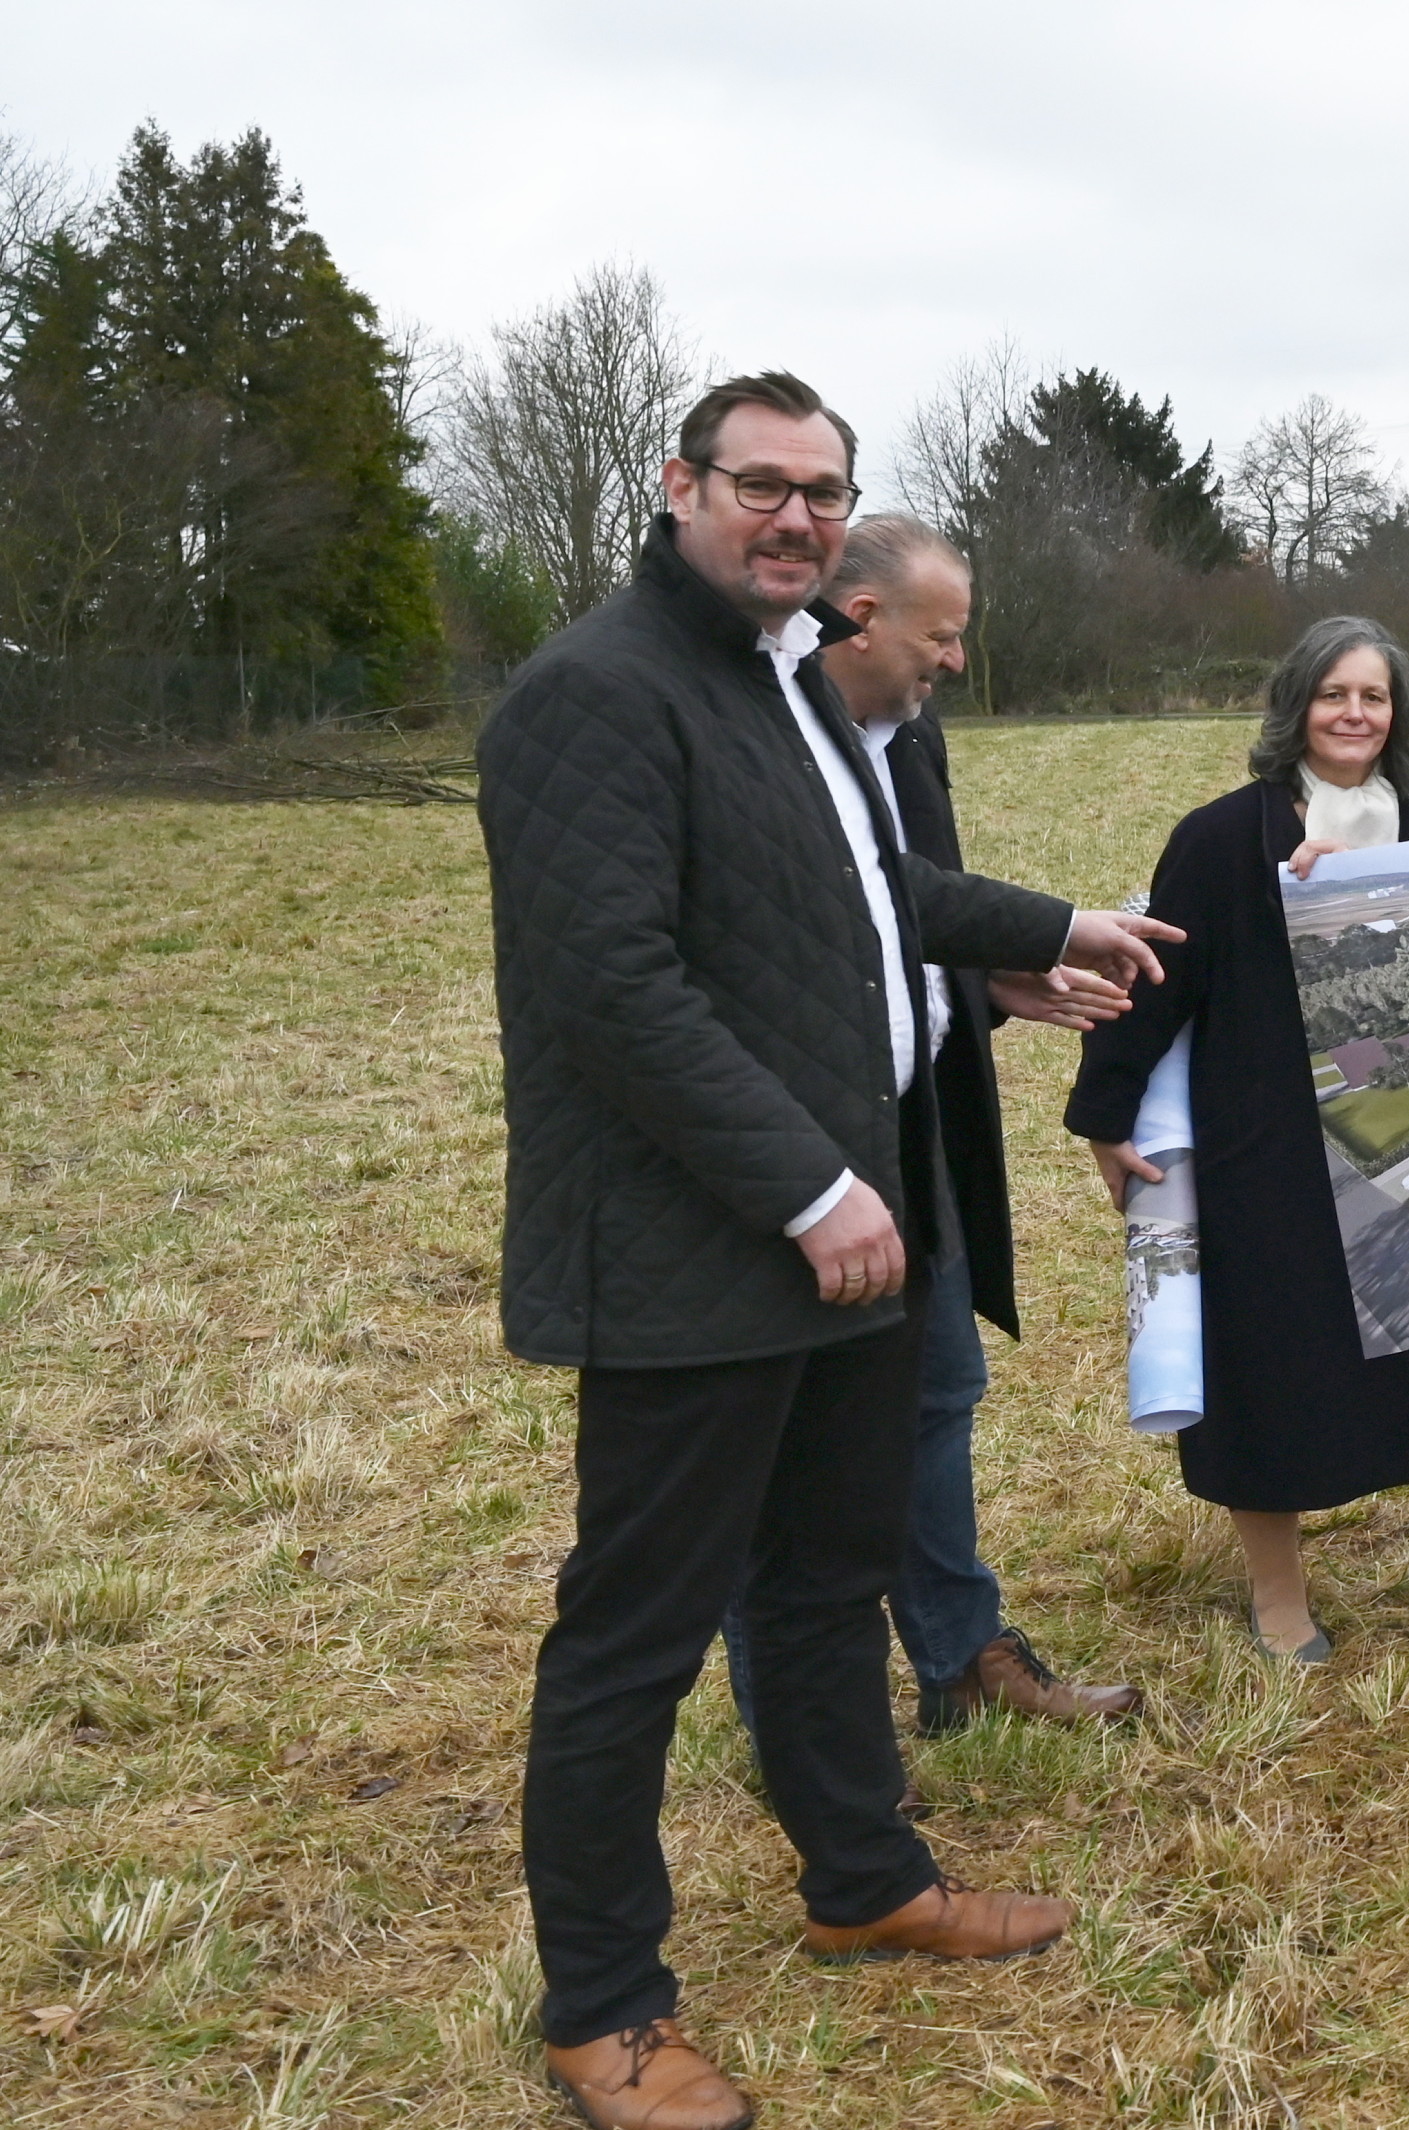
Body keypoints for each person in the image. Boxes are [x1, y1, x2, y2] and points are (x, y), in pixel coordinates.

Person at [479, 371, 1180, 2130]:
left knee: (827, 1579)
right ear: (680, 488)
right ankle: (604, 2012)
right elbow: (613, 991)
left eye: (820, 492)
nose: (791, 517)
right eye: (760, 486)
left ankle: (862, 1878)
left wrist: (1041, 933)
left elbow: (876, 903)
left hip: (844, 1242)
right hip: (692, 1249)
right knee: (632, 1637)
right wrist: (807, 1187)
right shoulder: (594, 696)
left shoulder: (785, 686)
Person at [719, 515, 1144, 1743]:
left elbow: (908, 920)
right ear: (862, 618)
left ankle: (960, 1658)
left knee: (939, 1389)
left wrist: (987, 982)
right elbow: (827, 913)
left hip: (916, 1127)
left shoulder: (911, 736)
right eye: (940, 635)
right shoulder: (760, 734)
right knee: (792, 1449)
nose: (955, 661)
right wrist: (1041, 929)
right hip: (799, 1144)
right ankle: (803, 1727)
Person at [1070, 617, 1409, 1660]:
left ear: (1399, 715)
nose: (1353, 714)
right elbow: (1153, 982)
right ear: (1295, 708)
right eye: (1334, 695)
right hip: (1270, 1143)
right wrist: (1103, 1119)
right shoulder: (1218, 839)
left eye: (1373, 697)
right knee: (1273, 1361)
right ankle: (1278, 1594)